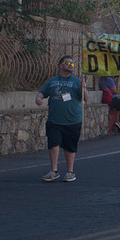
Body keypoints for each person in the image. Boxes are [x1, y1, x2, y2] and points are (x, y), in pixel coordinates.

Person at [36, 55, 89, 183]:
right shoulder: (52, 81)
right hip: (54, 120)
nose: (70, 66)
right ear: (60, 65)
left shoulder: (77, 81)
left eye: (72, 64)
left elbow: (86, 98)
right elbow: (43, 91)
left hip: (72, 120)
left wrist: (83, 88)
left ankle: (69, 172)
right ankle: (53, 170)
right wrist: (39, 97)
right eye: (68, 63)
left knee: (70, 147)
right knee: (53, 144)